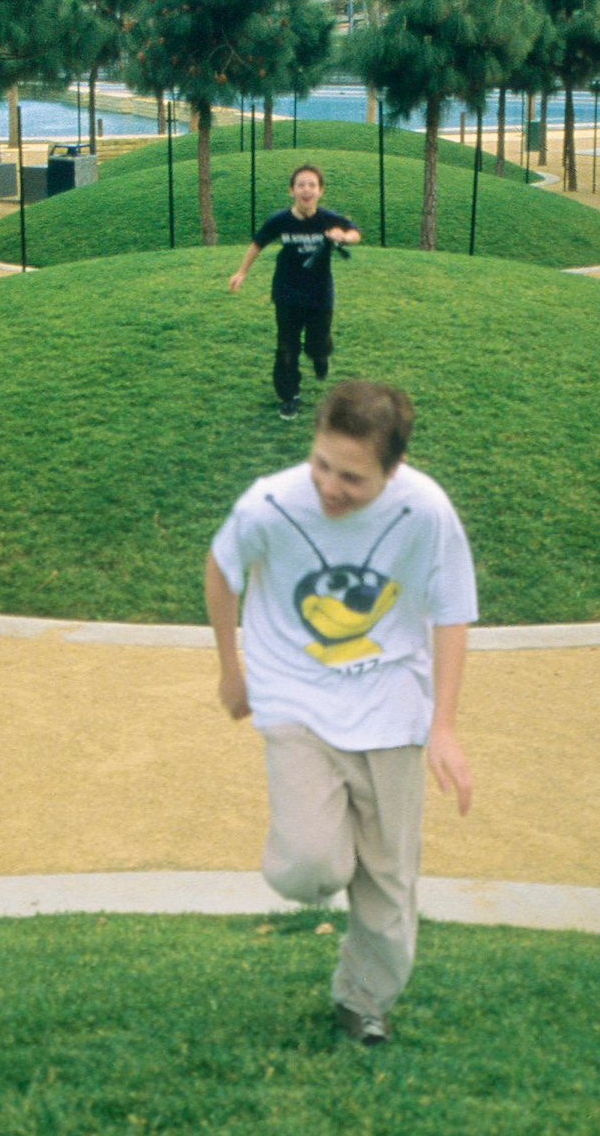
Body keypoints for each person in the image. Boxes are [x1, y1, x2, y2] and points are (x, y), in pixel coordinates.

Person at [204, 379, 476, 1045]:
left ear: (392, 467)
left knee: (391, 884)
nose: (329, 485)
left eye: (352, 476)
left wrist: (442, 725)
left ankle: (362, 1000)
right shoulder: (272, 502)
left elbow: (452, 610)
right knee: (309, 866)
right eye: (321, 463)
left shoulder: (427, 512)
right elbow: (220, 566)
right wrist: (231, 670)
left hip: (392, 707)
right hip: (296, 696)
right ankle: (337, 844)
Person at [226, 164, 362, 421]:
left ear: (320, 191)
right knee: (286, 347)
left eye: (312, 185)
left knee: (316, 344)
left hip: (320, 293)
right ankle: (290, 396)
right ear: (291, 191)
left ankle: (321, 357)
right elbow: (258, 243)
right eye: (300, 185)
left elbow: (355, 233)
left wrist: (343, 236)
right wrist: (241, 272)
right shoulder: (280, 220)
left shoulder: (326, 218)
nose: (306, 189)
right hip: (286, 292)